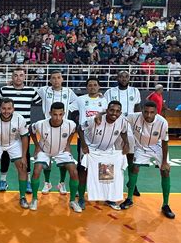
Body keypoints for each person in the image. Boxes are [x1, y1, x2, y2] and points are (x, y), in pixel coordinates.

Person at [119, 101, 175, 219]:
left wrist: (164, 162)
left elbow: (165, 142)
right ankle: (129, 199)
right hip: (140, 146)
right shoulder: (134, 117)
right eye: (146, 112)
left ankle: (165, 205)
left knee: (165, 171)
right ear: (142, 110)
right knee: (134, 167)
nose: (148, 115)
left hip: (157, 146)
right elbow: (118, 116)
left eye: (151, 113)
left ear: (156, 112)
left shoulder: (162, 122)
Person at [0, 68, 41, 194]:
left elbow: (42, 101)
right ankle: (3, 180)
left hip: (23, 131)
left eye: (21, 75)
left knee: (25, 155)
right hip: (6, 129)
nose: (18, 78)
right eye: (15, 75)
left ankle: (28, 181)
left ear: (24, 77)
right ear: (12, 77)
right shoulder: (4, 90)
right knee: (5, 155)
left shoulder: (31, 91)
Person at [30, 102, 82, 212]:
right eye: (54, 114)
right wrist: (37, 146)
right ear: (50, 113)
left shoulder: (70, 124)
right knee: (36, 170)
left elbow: (74, 131)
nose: (57, 117)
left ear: (63, 113)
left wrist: (68, 144)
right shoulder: (40, 124)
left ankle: (72, 200)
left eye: (60, 114)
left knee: (74, 172)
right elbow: (31, 130)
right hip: (44, 151)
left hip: (62, 151)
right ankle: (34, 199)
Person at [78, 101, 129, 210]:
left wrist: (126, 143)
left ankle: (108, 198)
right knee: (83, 172)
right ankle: (81, 197)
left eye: (117, 111)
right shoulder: (95, 120)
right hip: (91, 150)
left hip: (107, 151)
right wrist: (83, 144)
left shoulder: (122, 121)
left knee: (106, 176)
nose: (114, 113)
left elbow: (123, 132)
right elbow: (80, 128)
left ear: (120, 113)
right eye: (111, 110)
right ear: (107, 110)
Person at [0, 98, 30, 209]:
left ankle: (22, 196)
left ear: (13, 109)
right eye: (3, 108)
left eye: (9, 108)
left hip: (14, 143)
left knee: (22, 167)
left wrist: (24, 156)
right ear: (0, 108)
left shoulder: (20, 119)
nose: (6, 111)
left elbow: (24, 138)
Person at [37, 70, 78, 195]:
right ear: (50, 80)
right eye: (53, 78)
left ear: (62, 79)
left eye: (58, 77)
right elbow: (29, 91)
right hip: (47, 127)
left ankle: (61, 183)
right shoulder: (44, 90)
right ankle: (47, 183)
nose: (56, 80)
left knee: (63, 157)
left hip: (63, 128)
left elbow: (78, 101)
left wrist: (68, 109)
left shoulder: (68, 92)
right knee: (47, 156)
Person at [105, 71, 141, 196]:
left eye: (126, 76)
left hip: (130, 128)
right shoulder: (109, 92)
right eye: (121, 76)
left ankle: (132, 183)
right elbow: (105, 109)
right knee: (110, 157)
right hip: (112, 127)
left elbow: (137, 110)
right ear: (117, 78)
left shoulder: (135, 91)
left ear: (129, 78)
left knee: (131, 158)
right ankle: (107, 184)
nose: (124, 79)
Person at [73, 77, 107, 207]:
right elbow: (69, 110)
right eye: (90, 85)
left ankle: (103, 194)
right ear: (87, 87)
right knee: (83, 167)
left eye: (95, 85)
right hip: (84, 138)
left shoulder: (104, 101)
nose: (92, 87)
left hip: (102, 139)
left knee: (103, 167)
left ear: (99, 87)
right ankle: (80, 195)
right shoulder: (80, 100)